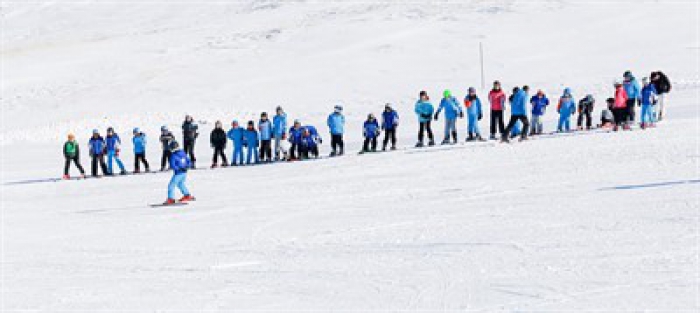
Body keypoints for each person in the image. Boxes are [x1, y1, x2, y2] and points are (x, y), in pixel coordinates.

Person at [163, 141, 195, 205]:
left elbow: (172, 165)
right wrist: (186, 167)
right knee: (180, 184)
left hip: (178, 173)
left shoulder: (173, 155)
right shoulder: (183, 153)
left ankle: (170, 199)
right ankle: (187, 195)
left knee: (171, 185)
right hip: (184, 173)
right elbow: (188, 161)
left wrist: (179, 169)